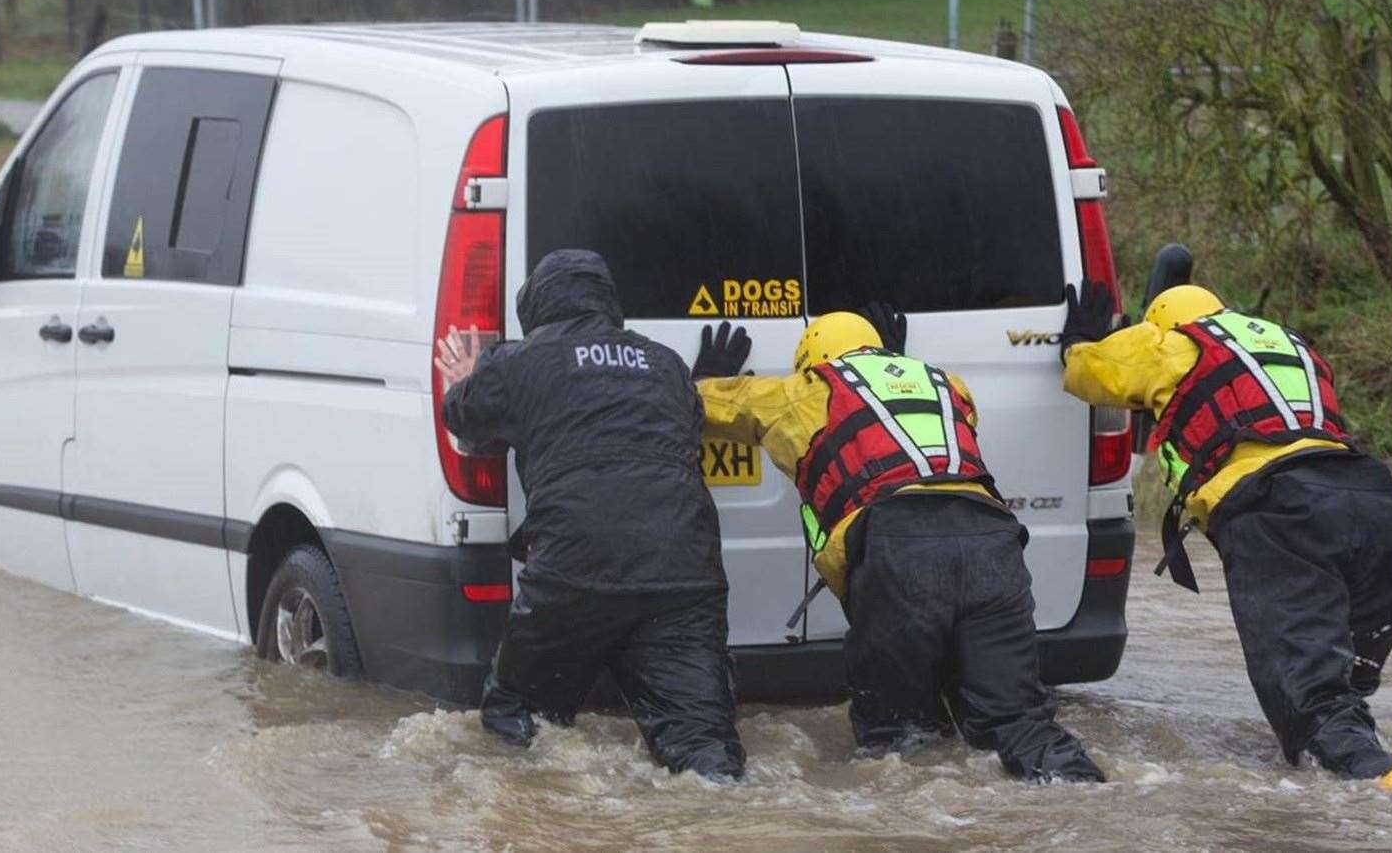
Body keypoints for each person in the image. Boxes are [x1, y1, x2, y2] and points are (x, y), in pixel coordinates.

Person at [689, 308, 1104, 783]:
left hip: (901, 550)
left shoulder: (800, 391)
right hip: (993, 541)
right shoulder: (947, 383)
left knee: (896, 741)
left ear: (812, 361)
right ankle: (1083, 792)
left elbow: (700, 404)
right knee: (1018, 722)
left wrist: (707, 376)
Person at [1059, 281, 1392, 790]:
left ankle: (1378, 793)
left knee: (1310, 700)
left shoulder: (1175, 343)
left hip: (1280, 512)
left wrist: (1078, 338)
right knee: (1345, 680)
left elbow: (1089, 373)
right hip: (1371, 500)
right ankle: (1355, 767)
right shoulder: (1290, 344)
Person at [435, 249, 745, 781]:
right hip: (683, 572)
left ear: (536, 308)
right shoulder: (666, 364)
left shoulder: (521, 361)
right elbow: (680, 426)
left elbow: (462, 417)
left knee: (519, 719)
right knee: (704, 753)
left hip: (576, 571)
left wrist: (470, 375)